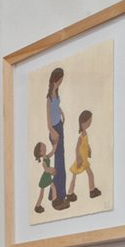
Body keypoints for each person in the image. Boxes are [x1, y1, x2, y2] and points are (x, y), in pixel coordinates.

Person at [46, 68, 72, 209]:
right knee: (59, 163)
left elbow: (57, 106)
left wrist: (61, 113)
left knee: (60, 160)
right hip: (55, 130)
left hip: (59, 126)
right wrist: (53, 132)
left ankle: (55, 194)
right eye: (60, 79)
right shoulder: (49, 97)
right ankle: (58, 197)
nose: (61, 82)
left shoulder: (56, 93)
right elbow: (48, 119)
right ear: (56, 80)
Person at [71, 109, 103, 199]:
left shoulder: (85, 134)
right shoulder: (81, 136)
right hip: (81, 159)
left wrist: (89, 149)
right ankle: (71, 193)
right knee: (77, 175)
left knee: (84, 174)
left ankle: (90, 190)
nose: (89, 124)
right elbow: (77, 148)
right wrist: (78, 158)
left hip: (84, 159)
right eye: (88, 122)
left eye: (90, 122)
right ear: (82, 123)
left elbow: (86, 143)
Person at [32, 141, 53, 215]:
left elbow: (52, 152)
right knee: (41, 194)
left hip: (48, 176)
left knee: (53, 186)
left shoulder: (47, 156)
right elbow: (46, 169)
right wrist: (51, 170)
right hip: (45, 178)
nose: (45, 147)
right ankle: (37, 206)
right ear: (41, 152)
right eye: (43, 147)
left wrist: (55, 145)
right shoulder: (44, 161)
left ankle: (54, 199)